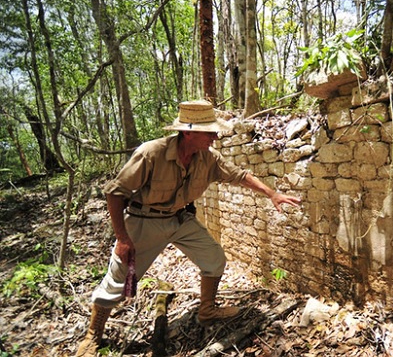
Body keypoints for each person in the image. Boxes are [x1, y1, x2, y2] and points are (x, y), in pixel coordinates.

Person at [76, 100, 301, 356]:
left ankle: (207, 311)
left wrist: (271, 193)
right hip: (144, 220)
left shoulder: (208, 158)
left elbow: (238, 175)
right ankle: (93, 335)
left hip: (180, 219)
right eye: (209, 131)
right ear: (188, 131)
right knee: (119, 279)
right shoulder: (151, 153)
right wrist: (122, 238)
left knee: (214, 259)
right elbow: (115, 193)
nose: (215, 137)